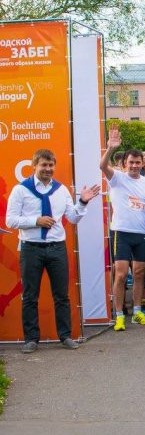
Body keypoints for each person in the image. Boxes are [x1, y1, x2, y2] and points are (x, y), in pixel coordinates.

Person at [6, 149, 100, 352]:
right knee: (30, 296)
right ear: (34, 166)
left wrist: (82, 202)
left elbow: (73, 218)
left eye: (51, 166)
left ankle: (65, 336)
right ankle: (31, 339)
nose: (48, 169)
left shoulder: (61, 190)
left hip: (57, 248)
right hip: (31, 249)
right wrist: (35, 221)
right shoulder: (21, 190)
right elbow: (10, 220)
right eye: (43, 165)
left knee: (62, 295)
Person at [100, 127, 145, 331]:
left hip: (140, 233)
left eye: (137, 162)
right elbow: (102, 165)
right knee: (122, 274)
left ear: (142, 164)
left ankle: (138, 311)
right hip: (121, 233)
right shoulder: (117, 178)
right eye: (130, 162)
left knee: (140, 273)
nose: (134, 165)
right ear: (125, 164)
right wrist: (110, 149)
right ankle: (119, 315)